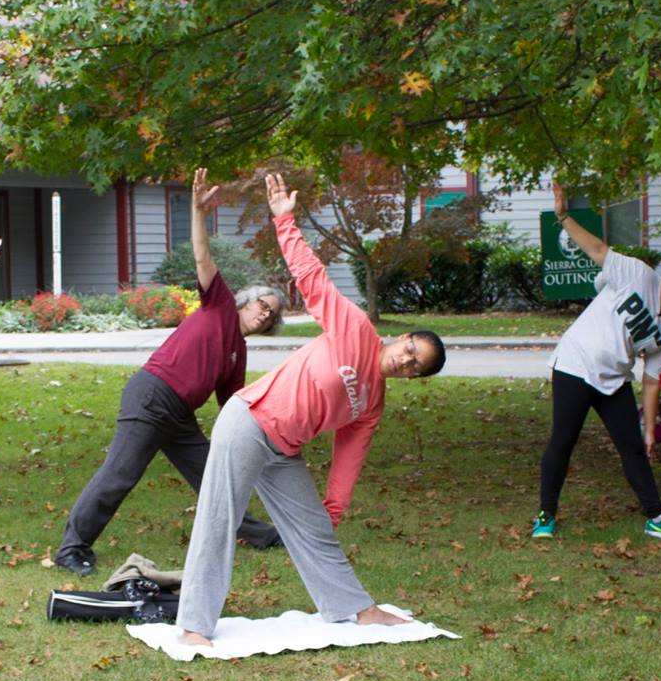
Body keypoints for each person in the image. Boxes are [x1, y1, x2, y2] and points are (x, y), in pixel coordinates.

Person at [175, 170, 446, 647]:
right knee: (221, 517)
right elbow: (312, 278)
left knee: (317, 527)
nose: (407, 364)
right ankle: (195, 625)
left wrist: (334, 507)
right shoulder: (355, 329)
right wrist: (284, 220)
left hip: (283, 449)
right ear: (403, 339)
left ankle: (354, 608)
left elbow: (349, 455)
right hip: (249, 421)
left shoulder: (373, 402)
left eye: (415, 369)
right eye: (411, 352)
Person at [54, 168, 284, 575]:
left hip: (179, 416)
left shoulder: (238, 351)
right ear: (245, 302)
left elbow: (234, 403)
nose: (265, 314)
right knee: (120, 474)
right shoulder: (218, 303)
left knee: (214, 474)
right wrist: (197, 210)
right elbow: (202, 255)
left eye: (272, 314)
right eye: (262, 305)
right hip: (152, 395)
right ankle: (72, 548)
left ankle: (255, 533)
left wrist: (267, 433)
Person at [531, 182, 661, 542]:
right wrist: (563, 216)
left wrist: (650, 428)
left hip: (613, 380)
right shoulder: (640, 275)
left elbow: (651, 379)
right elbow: (598, 250)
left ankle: (656, 518)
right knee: (562, 441)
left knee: (632, 446)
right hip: (575, 364)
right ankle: (545, 515)